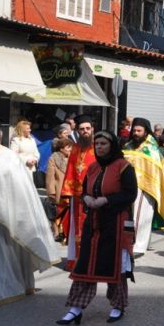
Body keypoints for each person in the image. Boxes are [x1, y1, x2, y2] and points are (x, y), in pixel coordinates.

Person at [57, 131, 137, 325]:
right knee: (86, 263)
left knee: (114, 265)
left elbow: (130, 194)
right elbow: (85, 190)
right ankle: (76, 308)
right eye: (97, 144)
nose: (99, 147)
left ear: (112, 145)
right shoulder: (92, 168)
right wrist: (86, 198)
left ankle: (118, 305)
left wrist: (106, 200)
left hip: (116, 222)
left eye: (103, 144)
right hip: (93, 222)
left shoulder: (124, 167)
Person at [0, 117, 59, 306]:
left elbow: (18, 191)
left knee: (1, 257)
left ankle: (0, 289)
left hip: (1, 218)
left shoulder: (8, 158)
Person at [124, 118, 164, 256]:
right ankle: (129, 243)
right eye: (134, 130)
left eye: (139, 131)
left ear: (146, 132)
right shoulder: (128, 146)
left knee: (141, 217)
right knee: (129, 217)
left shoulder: (151, 148)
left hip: (146, 188)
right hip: (128, 186)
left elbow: (156, 169)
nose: (136, 133)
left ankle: (139, 246)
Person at [60, 114, 96, 270]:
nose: (85, 131)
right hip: (77, 197)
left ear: (92, 129)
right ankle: (76, 261)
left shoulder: (99, 147)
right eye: (82, 129)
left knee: (93, 229)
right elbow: (70, 171)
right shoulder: (74, 148)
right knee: (77, 230)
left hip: (95, 197)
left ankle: (93, 261)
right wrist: (67, 194)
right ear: (78, 131)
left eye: (88, 128)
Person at [46, 137, 73, 240]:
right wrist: (51, 192)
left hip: (71, 189)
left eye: (71, 147)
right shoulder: (53, 158)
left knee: (69, 212)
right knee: (58, 212)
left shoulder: (73, 158)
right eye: (68, 147)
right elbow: (50, 177)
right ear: (61, 148)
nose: (70, 149)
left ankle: (66, 233)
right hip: (59, 189)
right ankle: (57, 232)